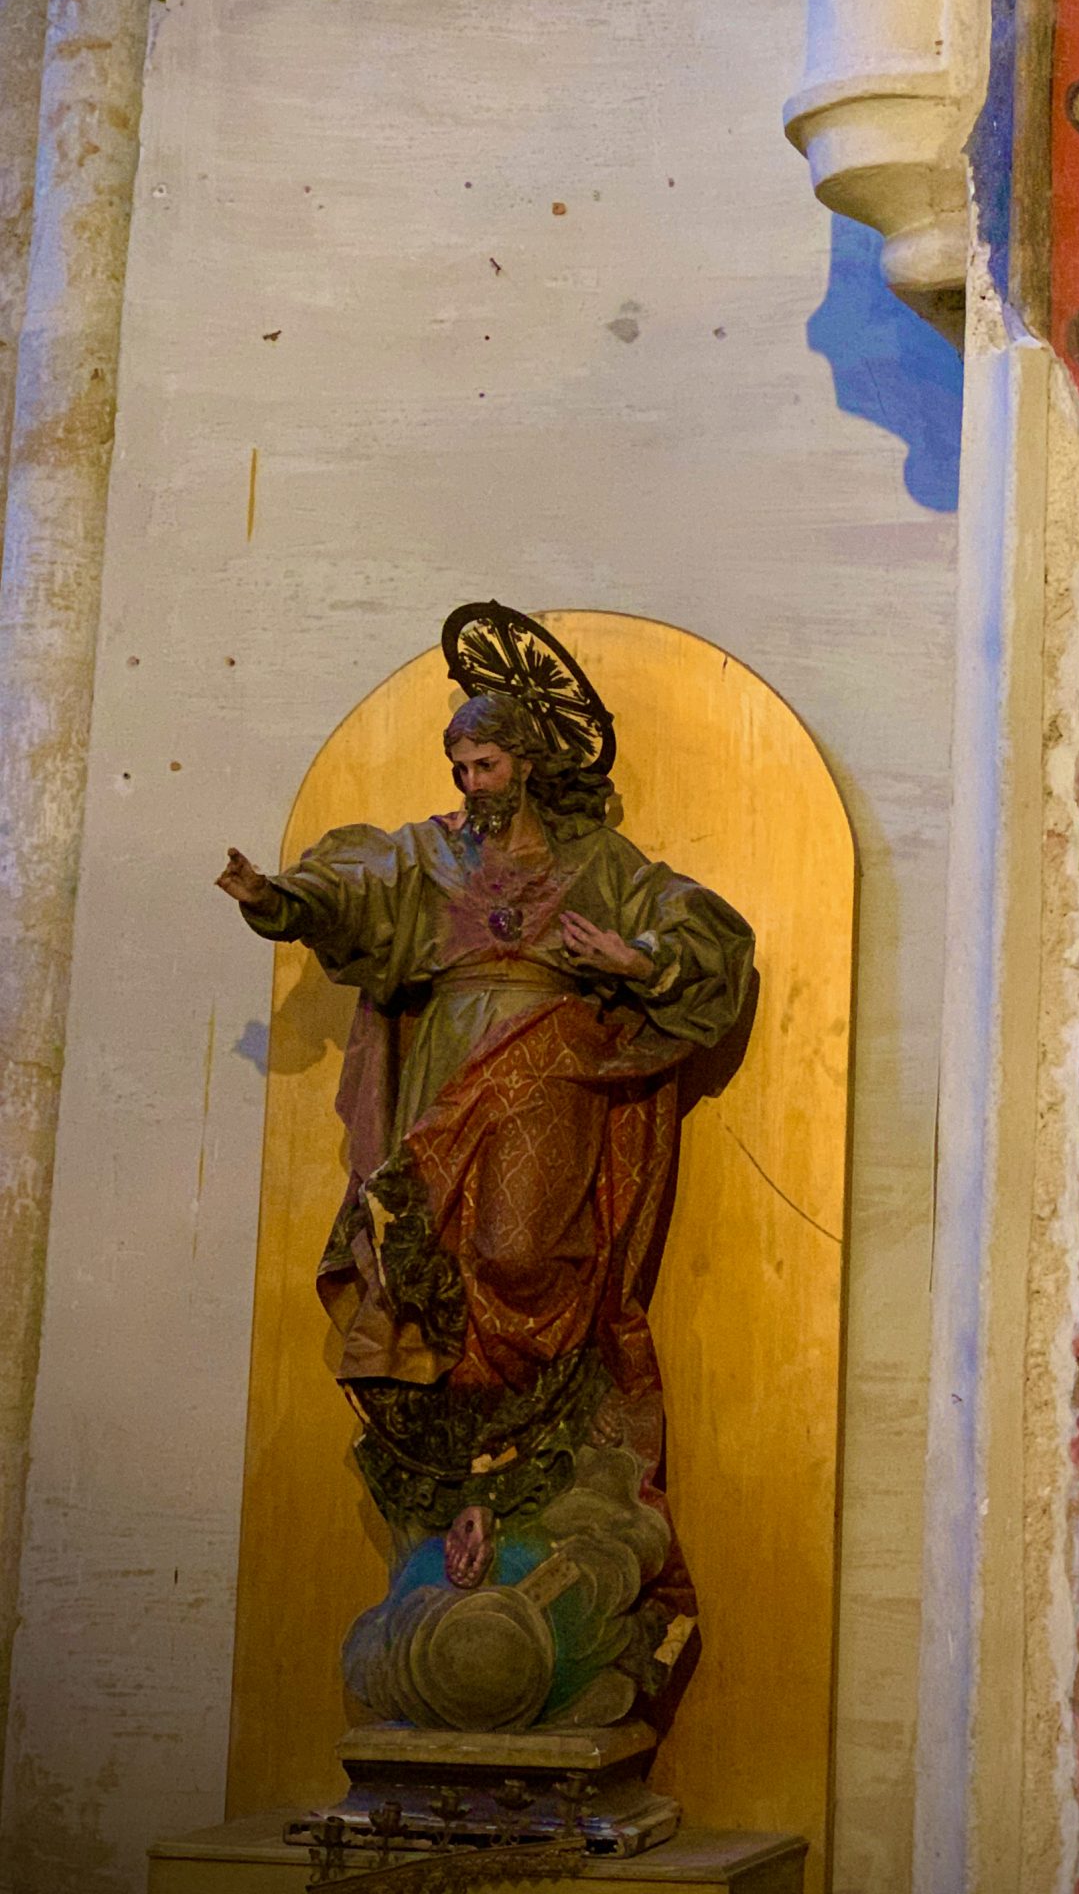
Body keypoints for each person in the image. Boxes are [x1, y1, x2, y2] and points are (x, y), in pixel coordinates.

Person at [217, 682, 754, 1733]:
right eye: (460, 764)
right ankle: (475, 1468)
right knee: (438, 1274)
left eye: (488, 764)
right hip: (442, 1075)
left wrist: (634, 962)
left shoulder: (597, 864)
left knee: (520, 1252)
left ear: (529, 764)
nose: (470, 782)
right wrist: (274, 900)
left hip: (550, 1067)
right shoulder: (427, 855)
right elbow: (347, 895)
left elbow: (708, 941)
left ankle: (544, 1431)